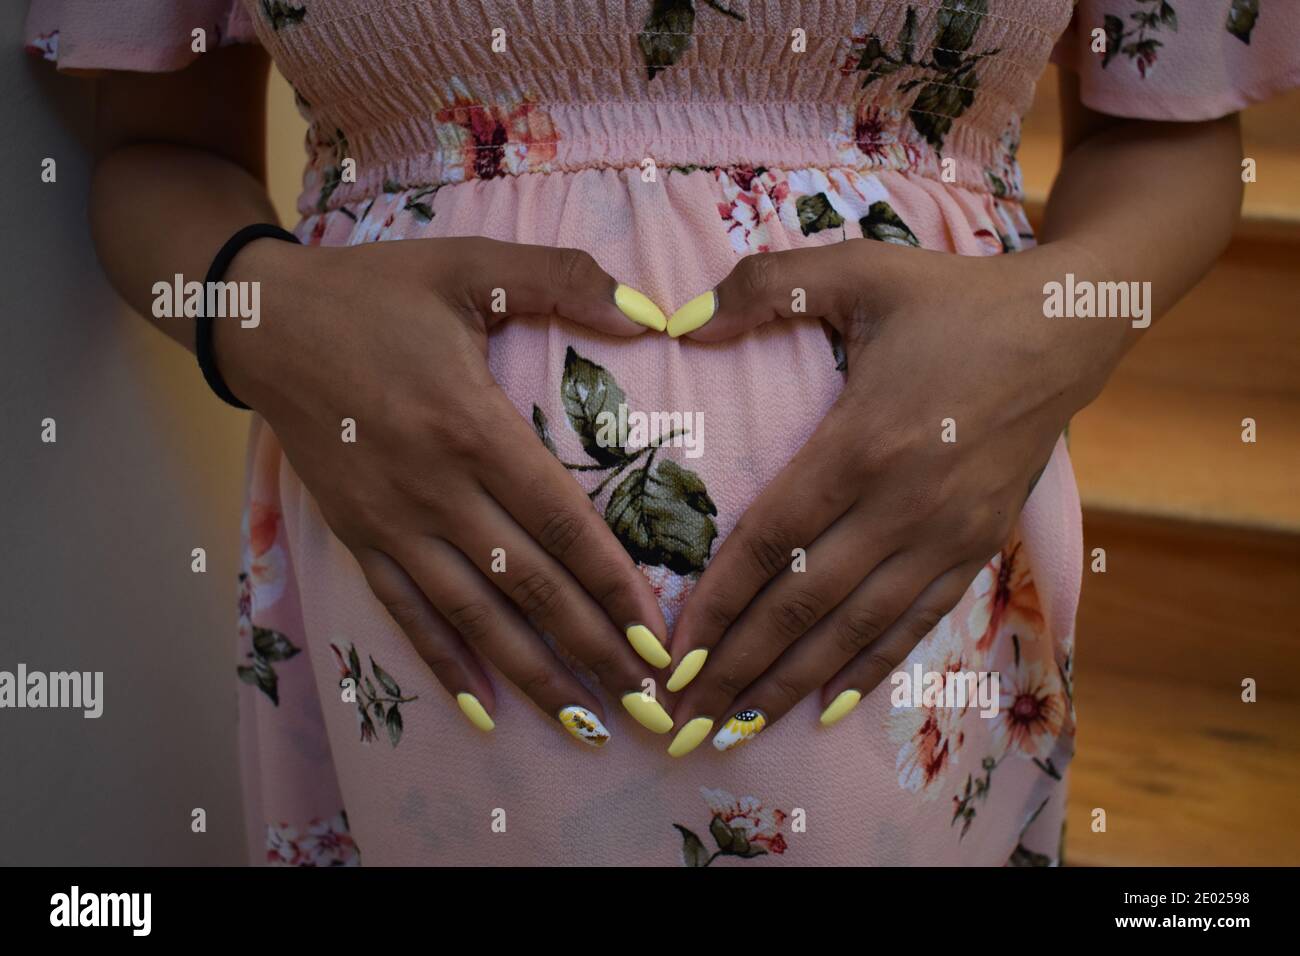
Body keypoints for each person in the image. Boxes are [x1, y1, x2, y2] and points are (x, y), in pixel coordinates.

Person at [26, 0, 1296, 865]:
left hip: (922, 639)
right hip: (421, 681)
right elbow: (152, 148)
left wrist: (1052, 328)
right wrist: (256, 309)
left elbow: (1170, 132)